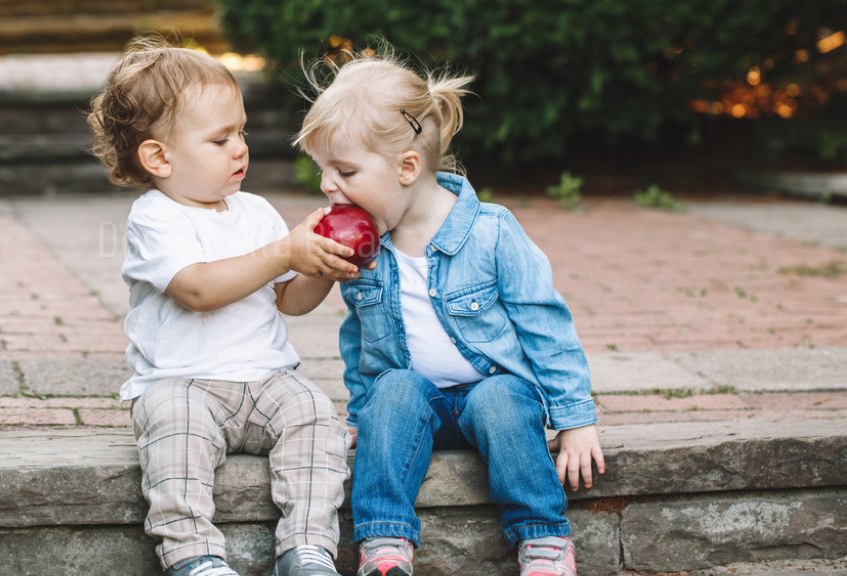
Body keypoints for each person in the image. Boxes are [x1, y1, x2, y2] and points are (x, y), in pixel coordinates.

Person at [294, 46, 606, 576]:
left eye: (344, 170)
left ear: (407, 167)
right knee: (392, 391)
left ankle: (543, 539)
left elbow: (545, 327)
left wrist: (576, 420)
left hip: (493, 392)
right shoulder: (367, 250)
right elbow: (361, 338)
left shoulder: (492, 232)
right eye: (323, 170)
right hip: (419, 403)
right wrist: (359, 414)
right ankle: (385, 544)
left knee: (504, 399)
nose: (327, 185)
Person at [87, 36, 361, 576]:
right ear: (159, 157)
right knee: (174, 434)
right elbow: (197, 288)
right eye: (219, 139)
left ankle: (306, 548)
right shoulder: (156, 218)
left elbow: (289, 299)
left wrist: (320, 268)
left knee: (315, 414)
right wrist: (284, 249)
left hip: (266, 380)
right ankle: (195, 556)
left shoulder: (254, 210)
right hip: (182, 383)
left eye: (241, 132)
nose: (240, 148)